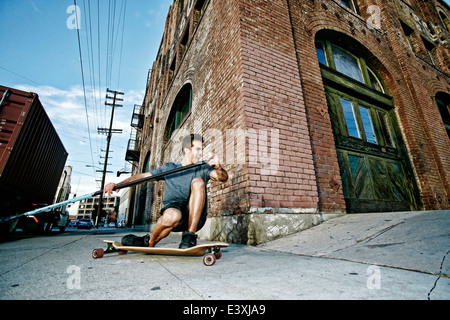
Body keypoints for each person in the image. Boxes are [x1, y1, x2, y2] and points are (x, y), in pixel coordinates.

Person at [103, 134, 228, 249]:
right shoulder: (170, 168)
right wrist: (118, 185)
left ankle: (189, 237)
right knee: (171, 216)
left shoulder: (202, 168)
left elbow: (223, 177)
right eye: (198, 149)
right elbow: (143, 176)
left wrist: (218, 167)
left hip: (196, 217)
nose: (201, 153)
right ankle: (149, 242)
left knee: (198, 182)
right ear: (187, 150)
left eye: (201, 149)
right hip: (175, 212)